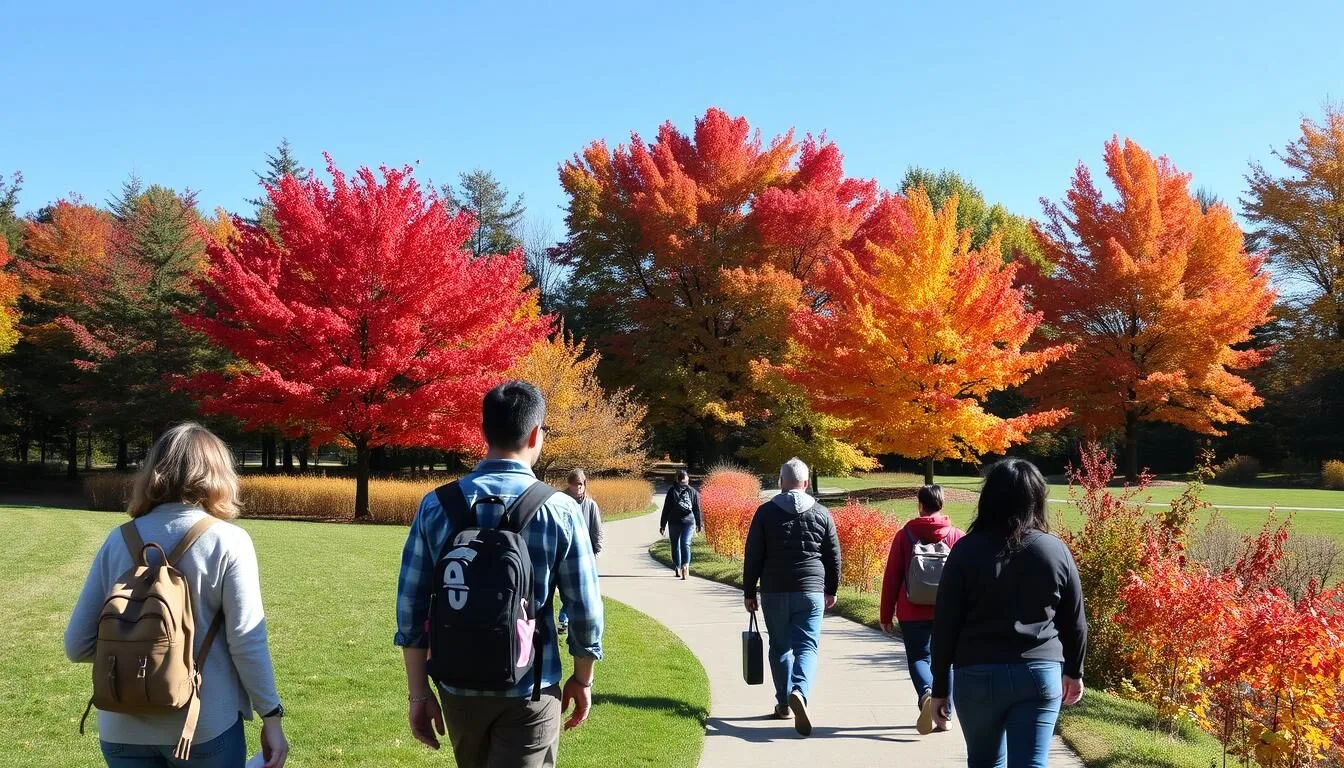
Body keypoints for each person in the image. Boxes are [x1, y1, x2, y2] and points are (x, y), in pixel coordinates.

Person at [396, 380, 604, 768]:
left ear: (483, 431)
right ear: (535, 433)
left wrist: (418, 694)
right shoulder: (560, 510)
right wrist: (583, 678)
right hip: (531, 688)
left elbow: (410, 607)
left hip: (456, 684)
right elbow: (585, 610)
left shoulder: (436, 505)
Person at [64, 423, 289, 768]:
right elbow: (246, 640)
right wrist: (270, 716)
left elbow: (77, 645)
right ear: (218, 473)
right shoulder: (228, 541)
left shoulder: (117, 540)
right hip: (202, 727)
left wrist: (138, 653)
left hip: (122, 729)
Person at [929, 458, 1088, 767]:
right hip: (1039, 672)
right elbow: (1075, 620)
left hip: (976, 673)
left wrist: (938, 688)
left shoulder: (965, 550)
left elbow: (945, 623)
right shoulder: (1054, 550)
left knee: (984, 761)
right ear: (1036, 498)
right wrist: (1074, 671)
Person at [742, 457, 841, 737]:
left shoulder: (764, 513)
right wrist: (831, 589)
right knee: (807, 648)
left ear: (781, 482)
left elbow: (753, 555)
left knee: (780, 647)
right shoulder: (822, 513)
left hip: (774, 591)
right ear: (806, 483)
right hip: (810, 591)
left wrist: (750, 591)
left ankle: (784, 703)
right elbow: (833, 556)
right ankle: (800, 690)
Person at [880, 485, 965, 734]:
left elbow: (892, 577)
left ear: (920, 505)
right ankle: (944, 717)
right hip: (947, 612)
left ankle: (926, 692)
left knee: (919, 656)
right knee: (946, 662)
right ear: (941, 504)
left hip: (911, 609)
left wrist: (886, 614)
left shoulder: (905, 535)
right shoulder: (956, 536)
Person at [558, 468, 603, 635]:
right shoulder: (560, 501)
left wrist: (595, 553)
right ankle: (564, 619)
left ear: (584, 484)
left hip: (584, 555)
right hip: (563, 552)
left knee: (579, 591)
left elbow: (597, 531)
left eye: (579, 484)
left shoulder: (590, 505)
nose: (577, 488)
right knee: (565, 588)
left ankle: (569, 620)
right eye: (573, 484)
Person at [659, 469, 702, 580]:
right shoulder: (672, 491)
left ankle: (685, 566)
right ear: (677, 480)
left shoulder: (692, 491)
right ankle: (677, 566)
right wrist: (662, 524)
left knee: (685, 543)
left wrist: (699, 523)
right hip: (674, 521)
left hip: (688, 521)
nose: (685, 484)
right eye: (683, 482)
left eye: (687, 482)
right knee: (675, 545)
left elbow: (697, 509)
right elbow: (666, 508)